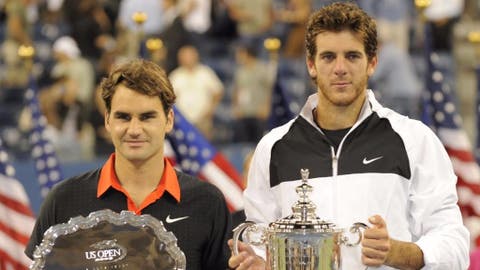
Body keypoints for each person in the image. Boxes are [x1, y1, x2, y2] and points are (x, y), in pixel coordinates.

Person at [227, 2, 469, 269]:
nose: (340, 68)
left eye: (352, 56)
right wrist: (259, 263)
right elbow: (261, 243)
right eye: (328, 57)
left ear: (372, 63)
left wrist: (396, 252)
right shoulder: (273, 147)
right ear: (311, 64)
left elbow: (455, 246)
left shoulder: (414, 139)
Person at [25, 58, 231, 270]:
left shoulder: (207, 202)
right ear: (107, 121)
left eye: (146, 117)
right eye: (123, 117)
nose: (134, 130)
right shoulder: (63, 200)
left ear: (169, 120)